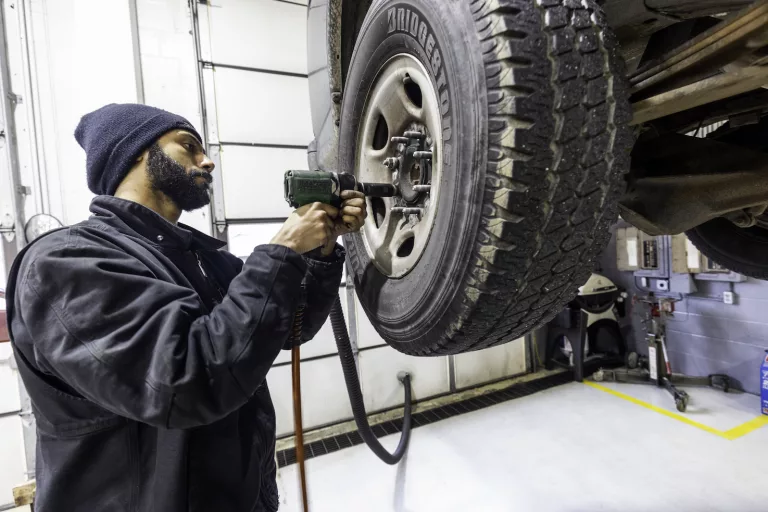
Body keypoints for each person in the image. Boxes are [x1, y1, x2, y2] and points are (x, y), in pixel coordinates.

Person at [5, 103, 367, 512]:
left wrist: (318, 255)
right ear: (137, 151)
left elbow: (286, 329)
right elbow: (183, 380)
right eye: (189, 146)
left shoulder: (202, 258)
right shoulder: (68, 261)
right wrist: (282, 251)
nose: (208, 161)